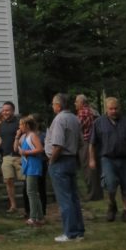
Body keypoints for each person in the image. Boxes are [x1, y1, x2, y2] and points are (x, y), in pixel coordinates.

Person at [89, 97, 126, 222]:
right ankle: (112, 205)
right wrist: (91, 159)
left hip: (125, 159)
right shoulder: (98, 123)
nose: (113, 111)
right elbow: (92, 143)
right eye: (111, 109)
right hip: (107, 158)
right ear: (106, 109)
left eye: (116, 108)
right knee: (110, 183)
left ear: (120, 108)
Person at [45, 93, 85, 242]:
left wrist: (51, 161)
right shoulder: (75, 118)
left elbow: (58, 144)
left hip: (60, 161)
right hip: (72, 160)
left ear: (58, 105)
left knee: (64, 198)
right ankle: (79, 230)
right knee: (73, 197)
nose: (52, 106)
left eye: (53, 103)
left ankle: (70, 233)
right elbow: (81, 142)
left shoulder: (59, 120)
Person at [0, 101, 22, 214]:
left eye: (7, 110)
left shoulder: (19, 123)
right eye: (3, 110)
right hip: (6, 156)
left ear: (13, 111)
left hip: (19, 156)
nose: (5, 112)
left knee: (26, 180)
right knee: (8, 181)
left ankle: (29, 204)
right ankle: (13, 205)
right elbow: (0, 139)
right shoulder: (1, 125)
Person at [75, 94, 103, 201]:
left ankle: (92, 194)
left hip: (86, 143)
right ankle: (98, 193)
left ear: (82, 102)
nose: (75, 104)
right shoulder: (94, 111)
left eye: (76, 102)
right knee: (95, 168)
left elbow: (77, 127)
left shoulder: (83, 112)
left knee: (88, 169)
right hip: (95, 143)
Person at [18, 115, 45, 225]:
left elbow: (40, 149)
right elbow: (16, 147)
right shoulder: (25, 136)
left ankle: (33, 217)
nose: (19, 127)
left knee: (31, 192)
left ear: (27, 125)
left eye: (21, 124)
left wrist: (26, 153)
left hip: (33, 166)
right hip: (28, 165)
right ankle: (40, 216)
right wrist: (17, 136)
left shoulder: (33, 135)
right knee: (32, 192)